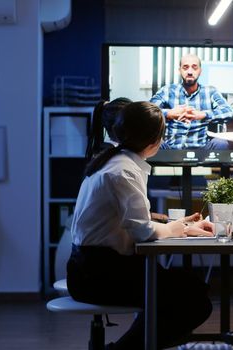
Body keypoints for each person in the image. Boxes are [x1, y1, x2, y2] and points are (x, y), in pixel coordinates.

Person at [67, 101, 215, 350]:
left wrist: (180, 226)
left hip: (94, 269)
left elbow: (132, 222)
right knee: (194, 300)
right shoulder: (123, 171)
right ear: (155, 140)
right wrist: (177, 228)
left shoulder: (114, 161)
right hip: (99, 275)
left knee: (189, 289)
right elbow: (143, 232)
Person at [85, 97, 170, 223]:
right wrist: (178, 228)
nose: (161, 141)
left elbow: (132, 216)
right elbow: (142, 229)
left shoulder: (111, 158)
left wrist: (171, 223)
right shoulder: (123, 169)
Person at [150, 53, 233, 150]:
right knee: (152, 141)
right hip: (170, 148)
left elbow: (229, 112)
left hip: (202, 149)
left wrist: (203, 115)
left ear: (200, 71)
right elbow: (147, 112)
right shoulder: (167, 90)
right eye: (185, 67)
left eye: (194, 68)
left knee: (221, 143)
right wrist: (169, 113)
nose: (190, 72)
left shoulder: (210, 91)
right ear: (179, 70)